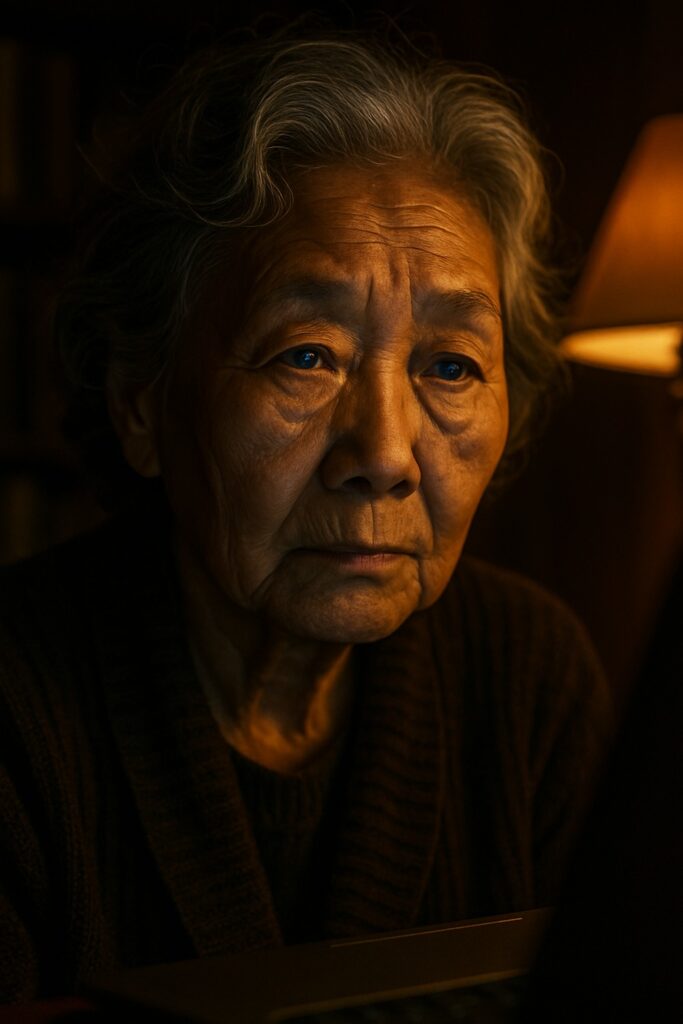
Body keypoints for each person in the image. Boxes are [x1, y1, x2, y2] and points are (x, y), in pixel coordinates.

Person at [0, 31, 611, 1002]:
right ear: (142, 403)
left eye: (449, 366)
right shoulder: (16, 707)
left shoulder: (528, 678)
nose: (380, 453)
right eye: (306, 355)